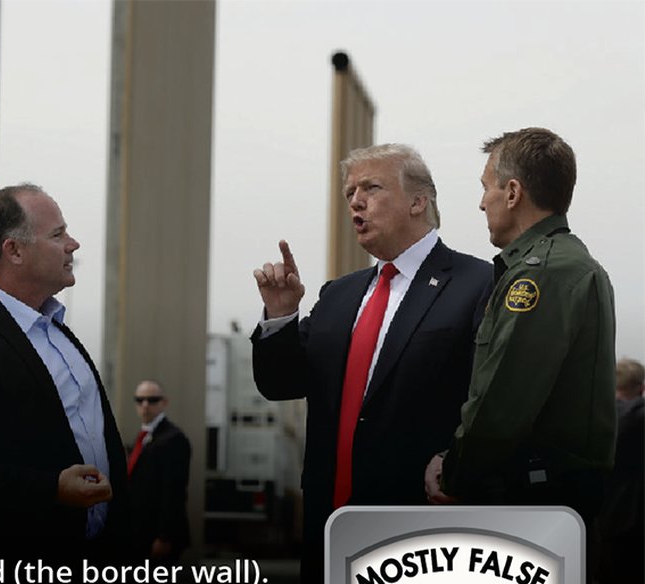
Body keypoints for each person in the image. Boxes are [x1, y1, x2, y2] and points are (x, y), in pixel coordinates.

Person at [251, 144, 492, 582]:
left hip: (419, 531)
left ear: (419, 201)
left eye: (372, 188)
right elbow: (281, 383)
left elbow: (492, 399)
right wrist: (281, 316)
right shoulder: (338, 295)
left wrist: (456, 460)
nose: (356, 202)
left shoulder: (479, 283)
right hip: (329, 525)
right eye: (349, 194)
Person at [425, 127, 617, 568]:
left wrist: (452, 472)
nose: (480, 202)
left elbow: (502, 400)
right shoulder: (568, 263)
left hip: (533, 499)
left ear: (512, 192)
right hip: (553, 499)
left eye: (485, 187)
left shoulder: (540, 274)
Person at [0, 183, 129, 564]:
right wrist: (52, 489)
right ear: (13, 250)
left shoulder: (62, 335)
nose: (73, 244)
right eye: (58, 234)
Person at [127, 380, 191, 564]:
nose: (145, 405)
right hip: (140, 533)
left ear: (164, 402)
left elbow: (174, 491)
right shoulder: (145, 436)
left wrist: (164, 537)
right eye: (140, 400)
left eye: (152, 400)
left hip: (157, 536)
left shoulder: (173, 439)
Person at [593, 358, 643, 584]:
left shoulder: (593, 414)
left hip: (595, 517)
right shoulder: (636, 418)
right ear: (640, 389)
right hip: (630, 522)